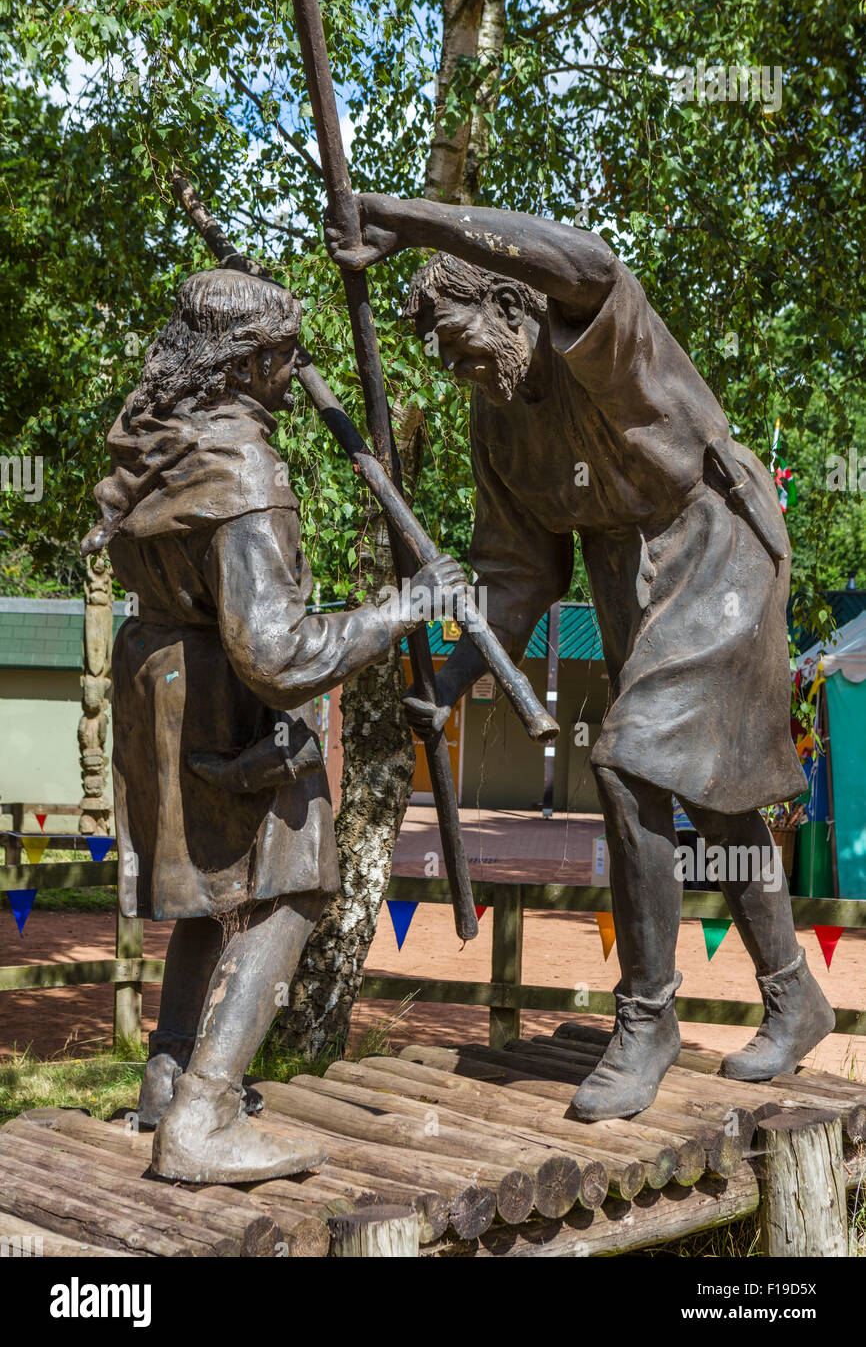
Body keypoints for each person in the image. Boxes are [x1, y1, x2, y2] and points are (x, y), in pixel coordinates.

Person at [326, 194, 835, 1121]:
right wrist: (451, 680)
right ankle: (797, 996)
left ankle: (646, 1019)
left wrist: (409, 217)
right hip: (626, 569)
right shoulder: (497, 423)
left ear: (514, 307)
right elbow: (514, 577)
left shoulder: (598, 340)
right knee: (711, 794)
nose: (453, 366)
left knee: (627, 760)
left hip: (717, 548)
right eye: (438, 355)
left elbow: (591, 261)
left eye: (458, 338)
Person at [82, 267, 466, 1180]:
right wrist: (402, 609)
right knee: (294, 877)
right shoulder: (242, 470)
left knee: (219, 886)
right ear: (249, 362)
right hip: (223, 694)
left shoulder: (154, 441)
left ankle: (169, 1074)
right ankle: (205, 1115)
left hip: (164, 685)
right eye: (283, 359)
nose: (295, 377)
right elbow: (276, 651)